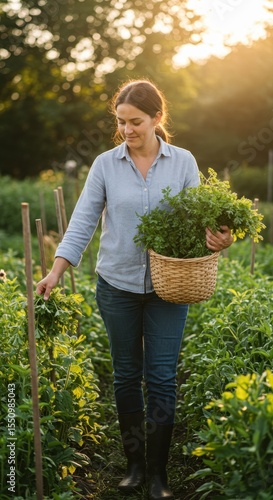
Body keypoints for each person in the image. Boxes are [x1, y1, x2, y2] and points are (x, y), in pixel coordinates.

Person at [36, 79, 233, 500]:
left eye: (136, 122)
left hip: (170, 288)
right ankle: (134, 467)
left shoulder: (182, 162)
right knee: (126, 376)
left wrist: (221, 237)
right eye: (121, 122)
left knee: (161, 378)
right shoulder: (106, 165)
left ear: (157, 118)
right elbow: (83, 221)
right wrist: (55, 271)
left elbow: (200, 220)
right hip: (117, 286)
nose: (127, 129)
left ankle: (159, 474)